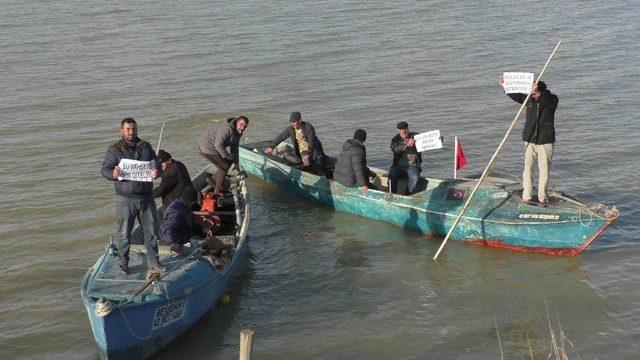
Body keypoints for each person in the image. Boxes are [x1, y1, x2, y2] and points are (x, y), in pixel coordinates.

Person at [100, 117, 164, 275]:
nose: (131, 132)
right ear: (121, 131)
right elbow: (104, 170)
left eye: (134, 129)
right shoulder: (114, 149)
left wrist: (157, 171)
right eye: (128, 129)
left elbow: (158, 165)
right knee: (123, 234)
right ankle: (123, 265)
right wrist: (113, 174)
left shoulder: (146, 147)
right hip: (125, 200)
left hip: (146, 198)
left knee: (152, 233)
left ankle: (154, 262)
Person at [499, 76, 559, 203]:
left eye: (534, 91)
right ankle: (527, 196)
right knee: (528, 168)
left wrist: (538, 93)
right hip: (530, 138)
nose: (532, 93)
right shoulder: (529, 99)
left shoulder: (552, 99)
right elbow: (517, 96)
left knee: (544, 170)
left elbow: (549, 103)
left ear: (540, 90)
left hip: (545, 140)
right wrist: (505, 86)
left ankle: (542, 198)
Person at [264, 111, 331, 177]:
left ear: (299, 121)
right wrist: (271, 147)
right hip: (302, 151)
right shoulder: (291, 128)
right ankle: (307, 172)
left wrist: (308, 153)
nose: (292, 124)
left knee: (319, 167)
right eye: (291, 122)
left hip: (314, 150)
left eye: (294, 122)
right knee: (291, 157)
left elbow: (312, 143)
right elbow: (281, 136)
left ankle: (320, 176)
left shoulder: (308, 127)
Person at [197, 116, 249, 194]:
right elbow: (218, 144)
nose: (242, 128)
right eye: (241, 125)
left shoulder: (238, 132)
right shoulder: (227, 129)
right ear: (237, 122)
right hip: (206, 147)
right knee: (224, 167)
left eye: (244, 126)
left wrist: (236, 163)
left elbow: (235, 148)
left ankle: (212, 179)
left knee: (230, 161)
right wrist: (226, 155)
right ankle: (218, 192)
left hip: (214, 147)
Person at [161, 187, 198, 253]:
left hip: (182, 241)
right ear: (189, 201)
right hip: (172, 244)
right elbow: (169, 227)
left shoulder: (185, 207)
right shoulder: (177, 210)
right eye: (193, 202)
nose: (193, 204)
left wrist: (201, 229)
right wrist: (173, 242)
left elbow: (190, 223)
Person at [389, 121, 422, 195]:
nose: (404, 131)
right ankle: (392, 194)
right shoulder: (395, 139)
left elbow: (427, 138)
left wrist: (438, 138)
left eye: (406, 128)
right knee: (392, 172)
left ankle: (407, 195)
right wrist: (406, 144)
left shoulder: (414, 136)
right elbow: (395, 149)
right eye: (402, 129)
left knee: (415, 177)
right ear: (398, 130)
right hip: (398, 166)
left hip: (412, 165)